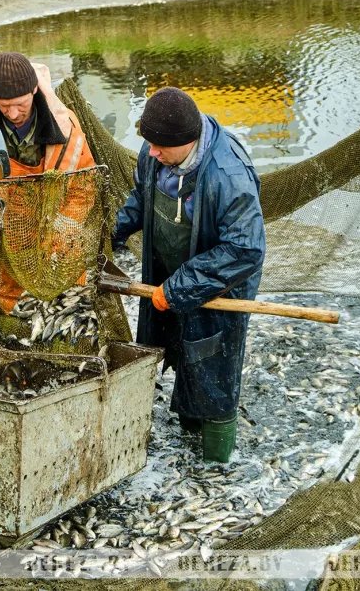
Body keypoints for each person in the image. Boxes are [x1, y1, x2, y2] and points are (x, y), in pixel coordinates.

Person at [112, 87, 266, 462]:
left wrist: (180, 287)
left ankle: (216, 465)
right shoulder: (156, 151)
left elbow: (245, 249)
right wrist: (110, 233)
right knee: (179, 350)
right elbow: (141, 198)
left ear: (188, 141)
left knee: (214, 369)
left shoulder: (229, 176)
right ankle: (186, 437)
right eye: (149, 143)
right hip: (168, 275)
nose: (151, 152)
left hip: (221, 288)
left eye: (159, 147)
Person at [0, 52, 97, 313]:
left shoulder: (65, 125)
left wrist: (64, 227)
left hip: (53, 225)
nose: (13, 113)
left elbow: (84, 187)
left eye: (20, 104)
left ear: (33, 90)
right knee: (10, 302)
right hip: (5, 230)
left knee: (72, 301)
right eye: (3, 105)